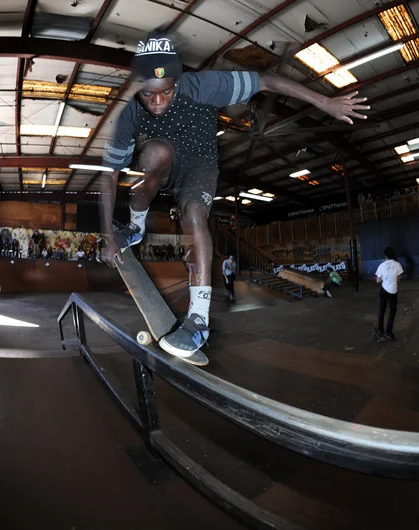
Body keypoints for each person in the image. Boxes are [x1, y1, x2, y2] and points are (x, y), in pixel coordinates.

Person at [99, 32, 370, 359]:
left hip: (200, 163)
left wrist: (324, 102)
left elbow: (268, 82)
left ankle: (198, 319)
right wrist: (108, 235)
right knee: (149, 169)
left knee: (194, 213)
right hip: (163, 165)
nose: (157, 103)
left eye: (166, 92)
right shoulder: (129, 115)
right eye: (149, 95)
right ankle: (136, 225)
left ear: (179, 80)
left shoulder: (204, 86)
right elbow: (109, 175)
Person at [375, 247, 404, 341]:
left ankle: (380, 330)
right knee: (392, 312)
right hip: (393, 291)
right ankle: (389, 332)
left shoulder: (382, 265)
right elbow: (398, 279)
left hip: (383, 291)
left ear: (385, 255)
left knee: (382, 310)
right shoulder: (398, 264)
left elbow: (378, 280)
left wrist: (384, 279)